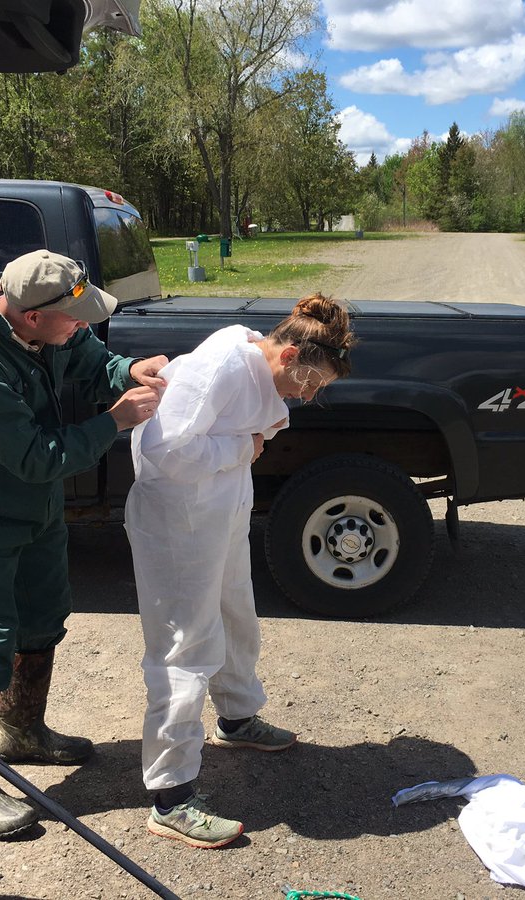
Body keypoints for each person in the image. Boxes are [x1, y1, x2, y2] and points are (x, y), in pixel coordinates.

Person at [0, 249, 168, 838]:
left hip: (33, 501)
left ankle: (23, 732)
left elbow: (85, 354)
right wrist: (116, 419)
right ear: (31, 317)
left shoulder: (44, 325)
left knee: (42, 614)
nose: (83, 325)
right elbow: (35, 456)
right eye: (74, 316)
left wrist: (127, 371)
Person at [125, 292, 356, 849]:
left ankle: (237, 718)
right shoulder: (224, 366)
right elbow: (163, 450)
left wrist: (244, 446)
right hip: (179, 520)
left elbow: (255, 429)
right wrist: (244, 445)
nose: (308, 396)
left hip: (219, 510)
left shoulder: (255, 355)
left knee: (235, 614)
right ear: (290, 353)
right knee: (185, 644)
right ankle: (171, 795)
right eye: (309, 383)